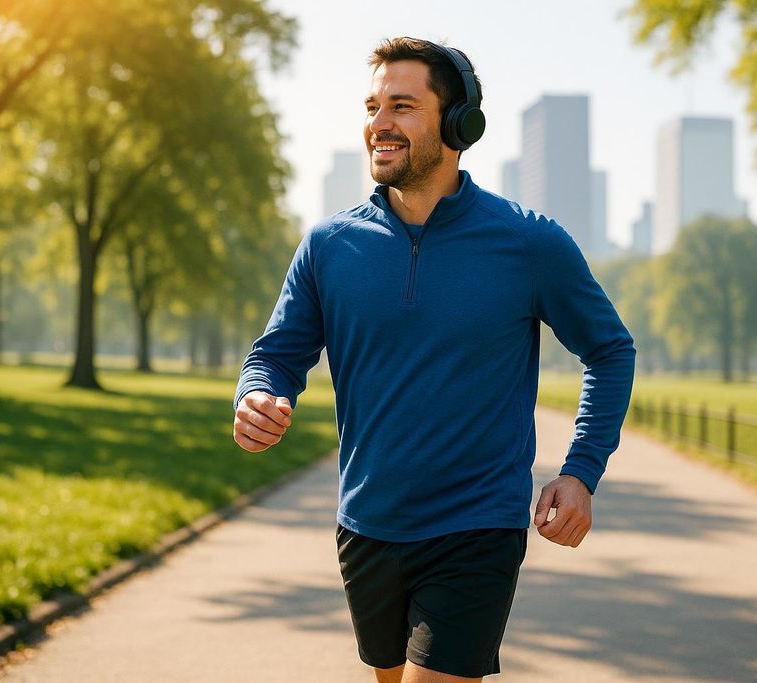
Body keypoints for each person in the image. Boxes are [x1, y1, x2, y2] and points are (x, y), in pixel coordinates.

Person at [233, 36, 636, 683]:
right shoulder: (329, 246)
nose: (379, 124)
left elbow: (610, 349)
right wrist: (256, 393)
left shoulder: (528, 242)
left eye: (402, 105)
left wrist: (582, 470)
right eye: (372, 106)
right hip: (366, 524)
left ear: (458, 123)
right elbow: (276, 354)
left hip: (476, 527)